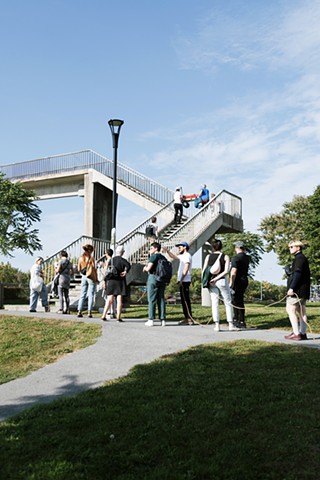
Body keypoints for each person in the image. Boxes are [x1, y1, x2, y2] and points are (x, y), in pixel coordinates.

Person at [203, 239, 238, 331]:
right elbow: (226, 271)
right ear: (221, 247)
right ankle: (230, 324)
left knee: (214, 302)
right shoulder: (225, 256)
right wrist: (217, 278)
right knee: (228, 302)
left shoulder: (208, 256)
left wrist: (210, 279)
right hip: (222, 280)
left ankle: (217, 325)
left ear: (213, 247)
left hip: (211, 282)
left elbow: (204, 270)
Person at [284, 240, 310, 341]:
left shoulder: (299, 259)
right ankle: (302, 333)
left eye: (291, 247)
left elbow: (298, 274)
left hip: (297, 290)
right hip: (304, 290)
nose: (290, 248)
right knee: (302, 311)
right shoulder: (302, 258)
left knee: (290, 309)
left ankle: (296, 333)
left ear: (298, 247)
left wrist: (292, 288)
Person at [163, 241, 193, 325]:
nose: (179, 248)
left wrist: (181, 280)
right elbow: (174, 257)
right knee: (183, 300)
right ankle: (187, 318)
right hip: (182, 280)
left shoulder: (187, 256)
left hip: (185, 281)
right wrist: (167, 251)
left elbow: (186, 268)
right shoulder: (182, 256)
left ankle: (189, 318)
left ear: (185, 247)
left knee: (186, 300)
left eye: (180, 247)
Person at [101, 245, 131, 323]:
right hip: (120, 281)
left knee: (109, 299)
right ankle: (118, 317)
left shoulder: (110, 260)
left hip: (111, 280)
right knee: (119, 299)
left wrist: (104, 281)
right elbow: (128, 265)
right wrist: (125, 272)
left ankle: (104, 315)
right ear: (123, 252)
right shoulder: (123, 260)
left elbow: (105, 272)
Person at [143, 242, 167, 326]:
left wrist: (145, 268)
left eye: (151, 248)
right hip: (162, 279)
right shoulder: (163, 257)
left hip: (153, 278)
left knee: (152, 299)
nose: (150, 250)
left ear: (156, 248)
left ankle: (151, 319)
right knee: (161, 299)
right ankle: (163, 320)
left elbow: (149, 268)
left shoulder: (154, 256)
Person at [229, 241, 250, 328]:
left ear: (236, 248)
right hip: (244, 280)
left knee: (235, 301)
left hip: (237, 281)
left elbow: (233, 271)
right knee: (240, 300)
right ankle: (242, 320)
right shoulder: (247, 258)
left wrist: (231, 282)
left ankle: (237, 319)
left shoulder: (235, 258)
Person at [77, 244, 97, 318]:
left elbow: (79, 269)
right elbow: (94, 269)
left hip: (83, 276)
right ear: (90, 251)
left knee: (82, 294)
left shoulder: (80, 258)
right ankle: (89, 312)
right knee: (91, 294)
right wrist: (96, 278)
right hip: (90, 277)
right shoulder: (91, 258)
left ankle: (79, 311)